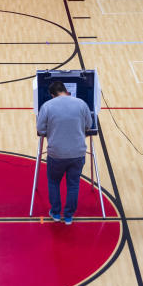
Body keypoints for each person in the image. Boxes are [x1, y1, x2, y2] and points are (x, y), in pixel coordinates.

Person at [36, 81, 93, 225]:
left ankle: (55, 214)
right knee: (73, 185)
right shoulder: (81, 104)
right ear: (65, 90)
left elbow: (40, 130)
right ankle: (68, 217)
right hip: (78, 153)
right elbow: (89, 125)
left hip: (56, 154)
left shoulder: (47, 106)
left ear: (52, 95)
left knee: (54, 182)